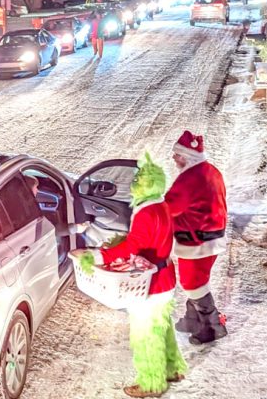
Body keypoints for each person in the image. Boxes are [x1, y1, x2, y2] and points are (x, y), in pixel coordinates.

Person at [75, 153, 187, 398]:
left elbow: (132, 246)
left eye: (137, 181)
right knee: (163, 327)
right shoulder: (162, 205)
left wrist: (98, 256)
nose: (134, 184)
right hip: (166, 276)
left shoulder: (146, 212)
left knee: (146, 335)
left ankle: (151, 383)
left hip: (149, 284)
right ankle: (173, 368)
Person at [165, 130, 229, 345]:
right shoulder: (210, 171)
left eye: (177, 155)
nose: (174, 158)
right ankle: (192, 320)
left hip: (196, 241)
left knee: (192, 283)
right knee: (197, 281)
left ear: (187, 156)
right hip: (212, 237)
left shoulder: (190, 178)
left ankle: (212, 328)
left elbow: (170, 207)